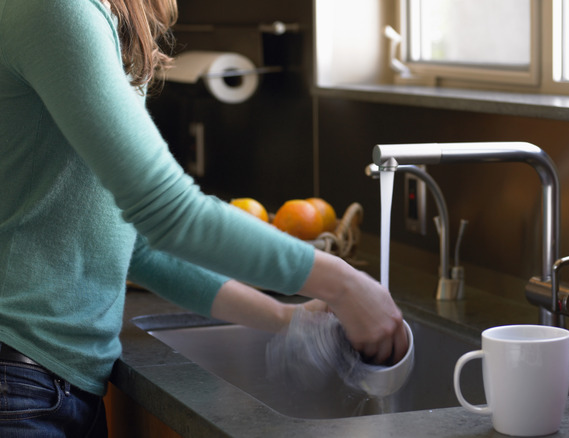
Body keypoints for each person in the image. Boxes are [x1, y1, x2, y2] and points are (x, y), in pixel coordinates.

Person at [0, 0, 408, 436]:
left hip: (49, 386)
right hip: (20, 384)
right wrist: (345, 284)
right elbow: (167, 211)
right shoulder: (57, 8)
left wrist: (284, 319)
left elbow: (137, 243)